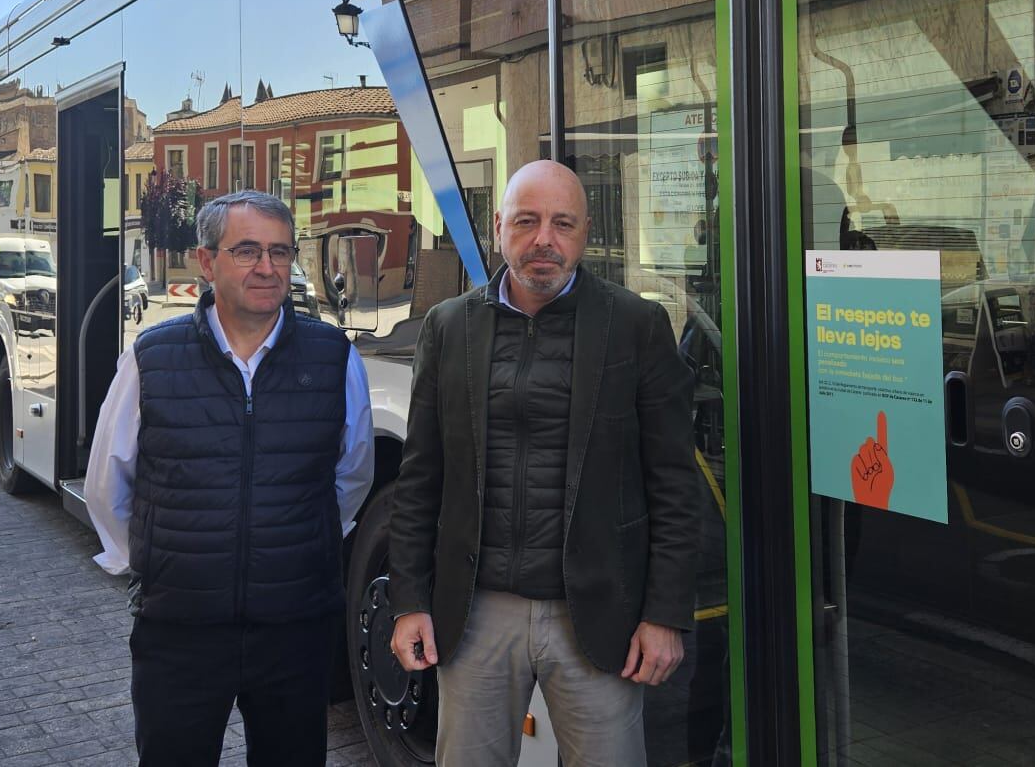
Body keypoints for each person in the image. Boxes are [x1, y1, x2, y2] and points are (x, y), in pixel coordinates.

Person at [386, 159, 699, 766]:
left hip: (598, 617)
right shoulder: (449, 328)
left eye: (563, 223)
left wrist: (664, 613)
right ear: (499, 225)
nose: (544, 240)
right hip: (474, 614)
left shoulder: (636, 326)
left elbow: (673, 485)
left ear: (584, 232)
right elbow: (420, 479)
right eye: (526, 221)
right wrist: (407, 601)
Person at [86, 189, 373, 766]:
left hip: (294, 631)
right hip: (181, 633)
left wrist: (292, 546)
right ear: (207, 262)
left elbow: (351, 476)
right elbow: (107, 486)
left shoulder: (335, 359)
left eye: (280, 252)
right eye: (246, 251)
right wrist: (155, 568)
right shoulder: (152, 360)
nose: (267, 268)